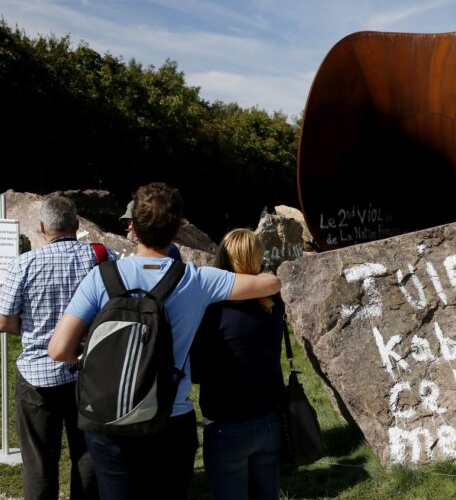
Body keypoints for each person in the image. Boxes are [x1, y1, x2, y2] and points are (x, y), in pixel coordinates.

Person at [48, 183, 281, 500]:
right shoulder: (197, 280)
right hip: (170, 417)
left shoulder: (101, 277)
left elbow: (58, 349)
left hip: (109, 418)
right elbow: (270, 283)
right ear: (178, 230)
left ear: (132, 228)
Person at [0, 195, 115, 500]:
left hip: (37, 374)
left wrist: (29, 331)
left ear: (42, 227)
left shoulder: (23, 264)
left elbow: (4, 321)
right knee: (87, 452)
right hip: (89, 371)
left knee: (38, 460)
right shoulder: (102, 257)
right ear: (77, 224)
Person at [191, 229, 285, 500]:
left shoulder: (212, 308)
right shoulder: (273, 302)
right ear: (259, 258)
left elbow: (197, 370)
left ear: (222, 257)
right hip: (268, 417)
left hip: (226, 421)